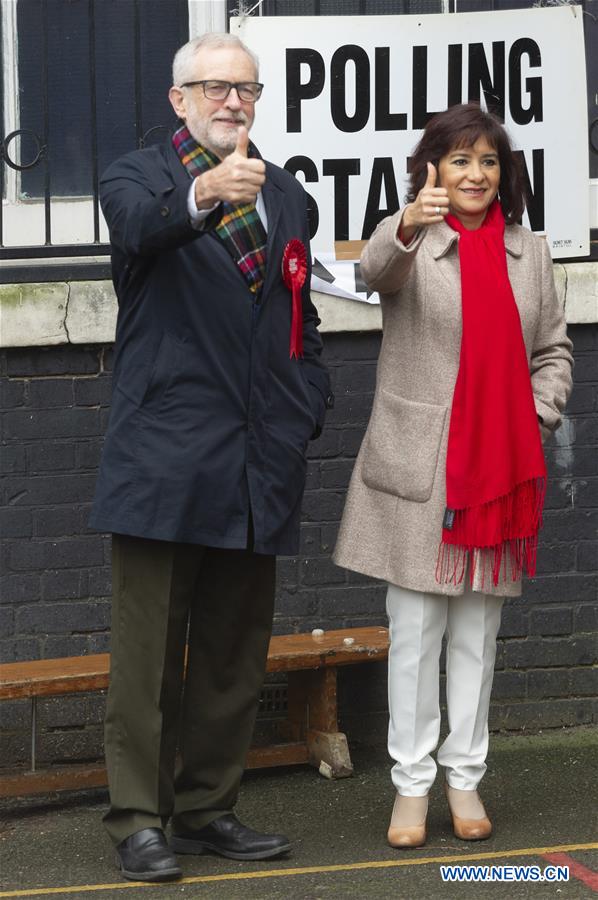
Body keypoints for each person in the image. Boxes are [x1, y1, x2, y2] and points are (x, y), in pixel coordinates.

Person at [90, 32, 332, 883]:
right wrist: (200, 194)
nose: (235, 101)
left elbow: (298, 318)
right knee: (149, 653)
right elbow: (140, 230)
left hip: (258, 459)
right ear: (178, 100)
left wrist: (309, 404)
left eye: (248, 89)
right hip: (163, 455)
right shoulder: (137, 178)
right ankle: (138, 818)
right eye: (216, 87)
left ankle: (205, 809)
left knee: (235, 651)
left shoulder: (289, 195)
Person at [333, 103, 572, 849]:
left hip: (501, 471)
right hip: (423, 469)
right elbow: (374, 273)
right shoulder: (410, 236)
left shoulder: (529, 253)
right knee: (415, 634)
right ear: (433, 167)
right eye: (460, 159)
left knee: (476, 635)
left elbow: (554, 352)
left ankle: (464, 778)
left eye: (489, 160)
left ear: (507, 174)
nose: (476, 174)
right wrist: (408, 219)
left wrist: (534, 413)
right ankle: (411, 787)